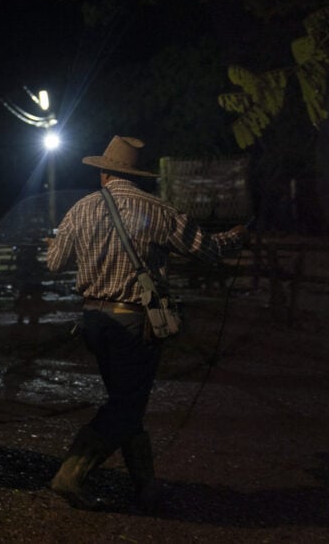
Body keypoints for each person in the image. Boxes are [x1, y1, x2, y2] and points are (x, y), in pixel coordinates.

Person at [45, 135, 247, 512]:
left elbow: (54, 263)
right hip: (133, 323)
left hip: (92, 321)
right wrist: (236, 237)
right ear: (136, 176)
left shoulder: (80, 209)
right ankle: (70, 474)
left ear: (103, 174)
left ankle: (147, 487)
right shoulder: (158, 210)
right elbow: (208, 250)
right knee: (127, 403)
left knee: (125, 400)